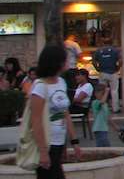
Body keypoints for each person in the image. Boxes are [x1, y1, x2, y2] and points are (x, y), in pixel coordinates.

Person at [29, 45, 82, 179]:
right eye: (65, 59)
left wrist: (73, 141)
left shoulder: (62, 83)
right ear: (56, 62)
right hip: (46, 143)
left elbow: (65, 113)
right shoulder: (40, 86)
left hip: (59, 141)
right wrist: (42, 151)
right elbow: (36, 120)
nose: (68, 62)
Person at [92, 37, 122, 112]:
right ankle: (115, 108)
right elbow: (121, 60)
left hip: (102, 72)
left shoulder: (99, 50)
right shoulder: (115, 50)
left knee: (101, 91)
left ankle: (102, 107)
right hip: (113, 72)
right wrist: (118, 68)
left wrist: (97, 69)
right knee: (114, 91)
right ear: (111, 42)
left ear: (103, 43)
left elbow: (93, 61)